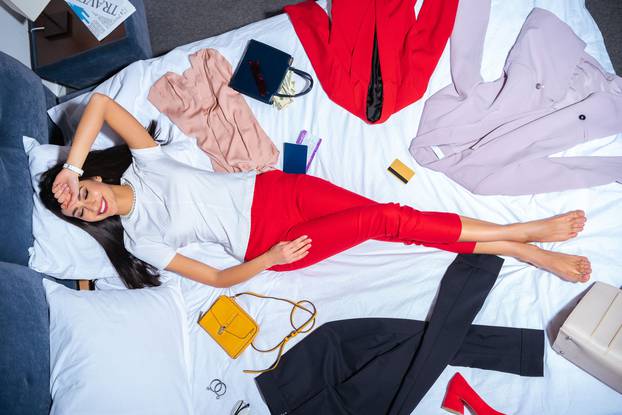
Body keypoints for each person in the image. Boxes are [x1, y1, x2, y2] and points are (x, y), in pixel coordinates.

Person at [41, 93, 591, 289]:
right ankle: (523, 234)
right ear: (93, 224)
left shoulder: (145, 165)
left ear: (94, 178)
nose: (94, 205)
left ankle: (517, 248)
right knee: (388, 220)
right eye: (86, 213)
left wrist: (68, 163)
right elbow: (214, 275)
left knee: (392, 215)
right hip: (272, 241)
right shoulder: (141, 239)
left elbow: (102, 107)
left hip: (282, 190)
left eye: (84, 193)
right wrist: (270, 258)